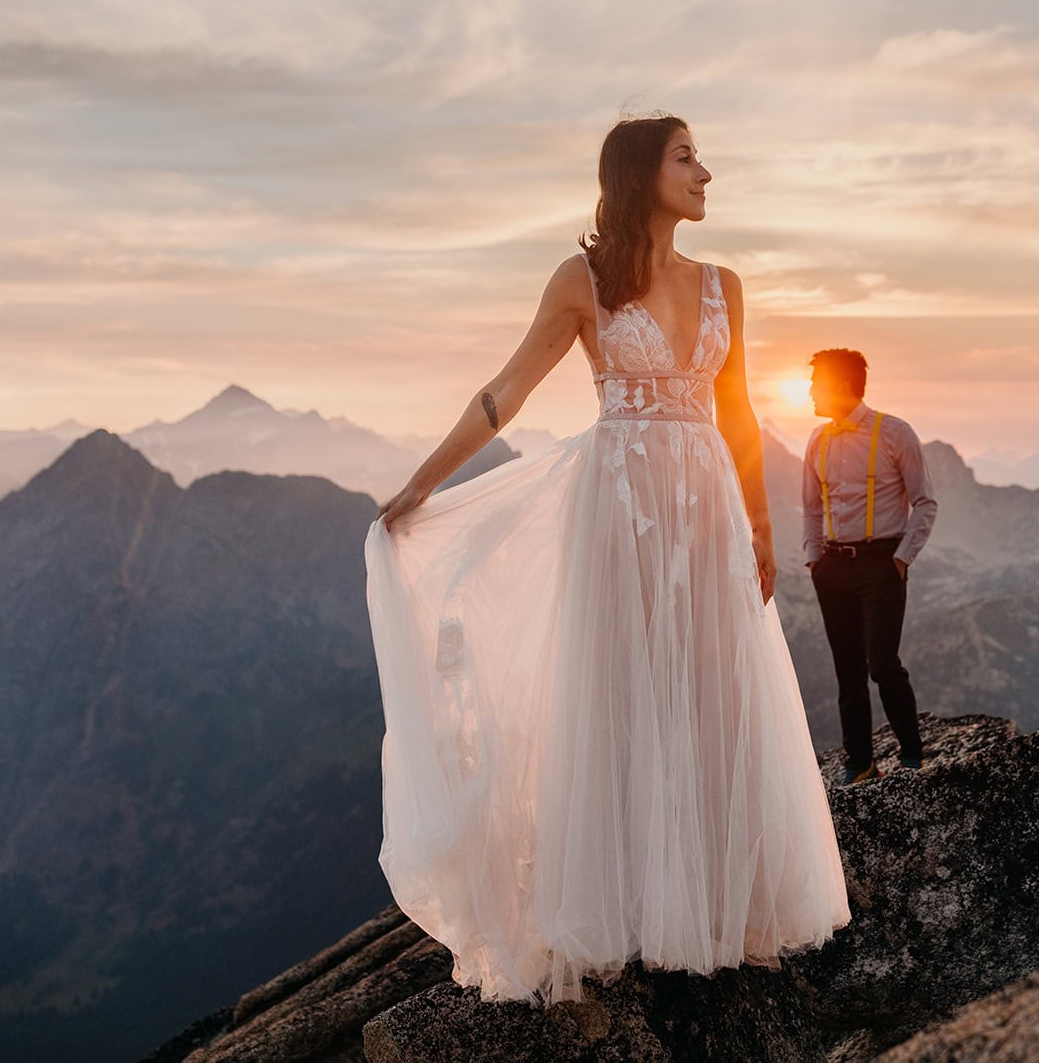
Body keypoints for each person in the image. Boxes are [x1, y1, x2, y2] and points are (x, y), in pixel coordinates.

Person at [364, 114, 850, 1006]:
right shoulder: (580, 279)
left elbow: (739, 415)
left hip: (704, 506)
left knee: (715, 691)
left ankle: (724, 907)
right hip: (620, 506)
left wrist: (762, 530)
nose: (707, 171)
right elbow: (504, 393)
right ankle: (630, 906)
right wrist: (420, 485)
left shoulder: (723, 285)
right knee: (624, 690)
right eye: (687, 157)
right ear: (639, 174)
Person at [801, 348, 938, 786]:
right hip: (834, 567)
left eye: (816, 382)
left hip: (882, 563)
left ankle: (913, 757)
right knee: (848, 670)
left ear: (841, 385)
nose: (809, 392)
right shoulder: (817, 440)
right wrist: (813, 557)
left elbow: (925, 503)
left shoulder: (895, 433)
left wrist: (900, 560)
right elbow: (809, 507)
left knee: (882, 663)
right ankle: (860, 764)